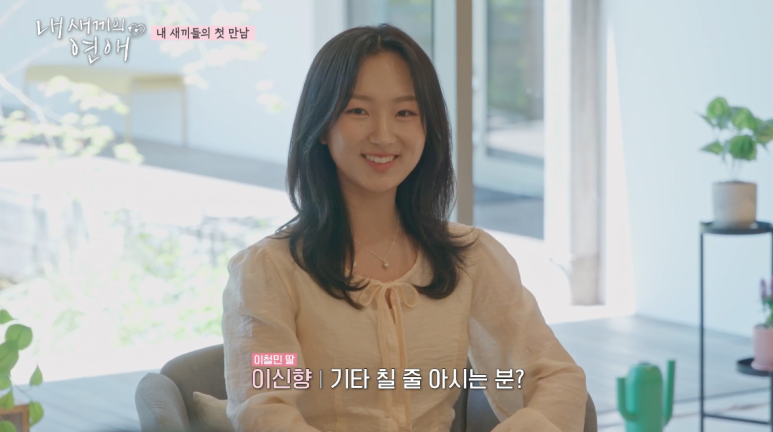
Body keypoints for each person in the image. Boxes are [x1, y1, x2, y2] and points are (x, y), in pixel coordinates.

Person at [221, 24, 587, 432]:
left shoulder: (470, 257)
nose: (383, 135)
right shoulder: (269, 272)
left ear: (427, 127)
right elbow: (264, 409)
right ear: (322, 125)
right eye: (358, 111)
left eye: (405, 113)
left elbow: (555, 375)